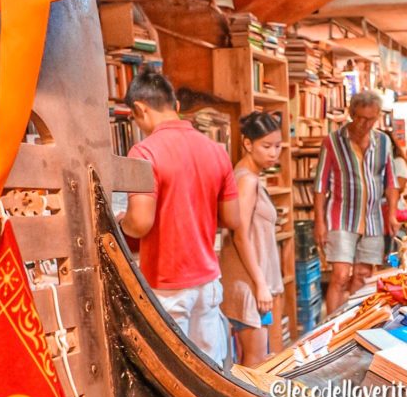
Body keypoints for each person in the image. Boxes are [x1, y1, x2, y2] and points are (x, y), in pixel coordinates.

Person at [119, 67, 239, 366]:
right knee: (210, 371)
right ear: (175, 106)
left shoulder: (144, 152)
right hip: (208, 281)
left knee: (172, 373)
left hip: (167, 285)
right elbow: (231, 218)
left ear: (139, 109)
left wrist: (121, 219)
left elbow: (140, 224)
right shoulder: (216, 150)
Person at [314, 90, 399, 314]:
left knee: (363, 276)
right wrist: (319, 222)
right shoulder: (333, 141)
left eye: (370, 118)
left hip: (373, 219)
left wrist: (391, 214)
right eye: (359, 117)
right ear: (351, 113)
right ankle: (330, 325)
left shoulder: (383, 141)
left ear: (378, 115)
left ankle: (352, 325)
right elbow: (320, 185)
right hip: (340, 216)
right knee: (341, 275)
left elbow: (391, 181)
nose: (364, 123)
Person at [220, 111, 284, 367]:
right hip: (249, 282)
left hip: (250, 280)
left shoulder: (244, 175)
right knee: (255, 362)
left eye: (278, 146)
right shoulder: (246, 181)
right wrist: (260, 283)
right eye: (266, 146)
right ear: (248, 144)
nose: (273, 153)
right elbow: (240, 235)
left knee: (257, 359)